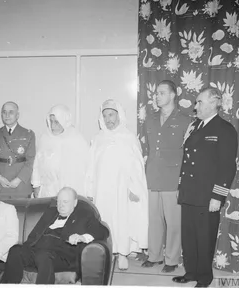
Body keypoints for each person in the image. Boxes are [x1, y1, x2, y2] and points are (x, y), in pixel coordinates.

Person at [173, 87, 238, 287]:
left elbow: (228, 167)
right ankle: (191, 272)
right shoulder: (195, 126)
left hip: (208, 195)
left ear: (214, 102)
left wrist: (217, 197)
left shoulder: (225, 129)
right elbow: (187, 160)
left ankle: (204, 277)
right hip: (190, 192)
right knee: (189, 237)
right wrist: (181, 187)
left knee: (205, 238)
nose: (195, 106)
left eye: (199, 102)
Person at [85, 99, 148, 270]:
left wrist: (134, 188)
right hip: (102, 189)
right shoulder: (97, 138)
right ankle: (108, 252)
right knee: (104, 219)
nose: (108, 119)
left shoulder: (128, 137)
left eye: (111, 114)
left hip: (122, 188)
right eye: (105, 116)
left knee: (122, 219)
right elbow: (91, 166)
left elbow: (136, 166)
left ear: (119, 115)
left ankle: (122, 253)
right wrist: (89, 190)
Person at [1, 187, 107, 284]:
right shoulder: (50, 212)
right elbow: (34, 236)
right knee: (16, 250)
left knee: (43, 256)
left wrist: (82, 237)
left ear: (75, 203)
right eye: (59, 201)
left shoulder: (83, 215)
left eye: (65, 202)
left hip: (62, 256)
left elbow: (103, 230)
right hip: (37, 252)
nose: (61, 205)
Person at [142, 80, 191, 273]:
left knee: (173, 222)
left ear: (173, 95)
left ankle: (171, 260)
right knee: (153, 219)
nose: (157, 96)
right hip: (152, 175)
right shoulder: (150, 119)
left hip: (173, 177)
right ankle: (154, 256)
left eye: (162, 92)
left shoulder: (186, 120)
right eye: (156, 93)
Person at [31, 105, 89, 198]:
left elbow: (85, 170)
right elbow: (37, 165)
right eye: (51, 121)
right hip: (47, 191)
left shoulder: (76, 139)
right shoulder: (45, 138)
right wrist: (36, 185)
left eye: (57, 122)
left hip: (68, 192)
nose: (53, 126)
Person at [0, 101, 36, 199]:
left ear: (17, 115)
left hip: (21, 184)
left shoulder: (28, 134)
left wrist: (19, 179)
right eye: (4, 112)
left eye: (11, 112)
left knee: (22, 213)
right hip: (1, 183)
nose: (7, 115)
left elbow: (30, 161)